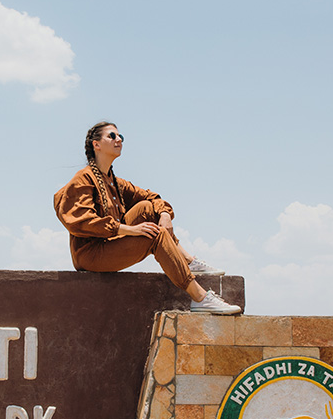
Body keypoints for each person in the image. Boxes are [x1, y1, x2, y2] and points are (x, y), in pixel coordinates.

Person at [53, 121, 241, 314]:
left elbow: (153, 197)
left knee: (147, 208)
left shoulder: (115, 182)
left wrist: (165, 214)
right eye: (112, 136)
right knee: (155, 236)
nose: (119, 140)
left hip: (110, 243)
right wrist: (130, 230)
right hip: (90, 254)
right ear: (96, 144)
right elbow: (81, 221)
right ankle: (199, 297)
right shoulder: (83, 178)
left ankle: (188, 261)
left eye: (121, 137)